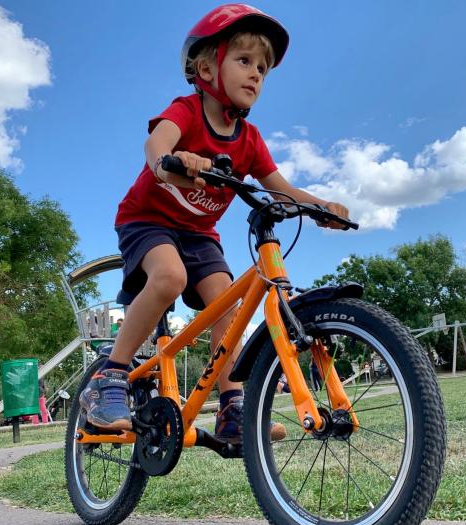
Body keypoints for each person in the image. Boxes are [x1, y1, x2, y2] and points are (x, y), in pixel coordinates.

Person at [80, 5, 347, 445]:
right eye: (244, 61)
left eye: (263, 68)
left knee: (228, 305)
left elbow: (280, 187)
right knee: (169, 276)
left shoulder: (250, 139)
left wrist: (322, 206)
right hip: (147, 219)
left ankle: (233, 406)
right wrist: (172, 163)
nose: (256, 74)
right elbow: (157, 143)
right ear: (206, 67)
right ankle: (109, 377)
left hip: (200, 233)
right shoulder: (187, 111)